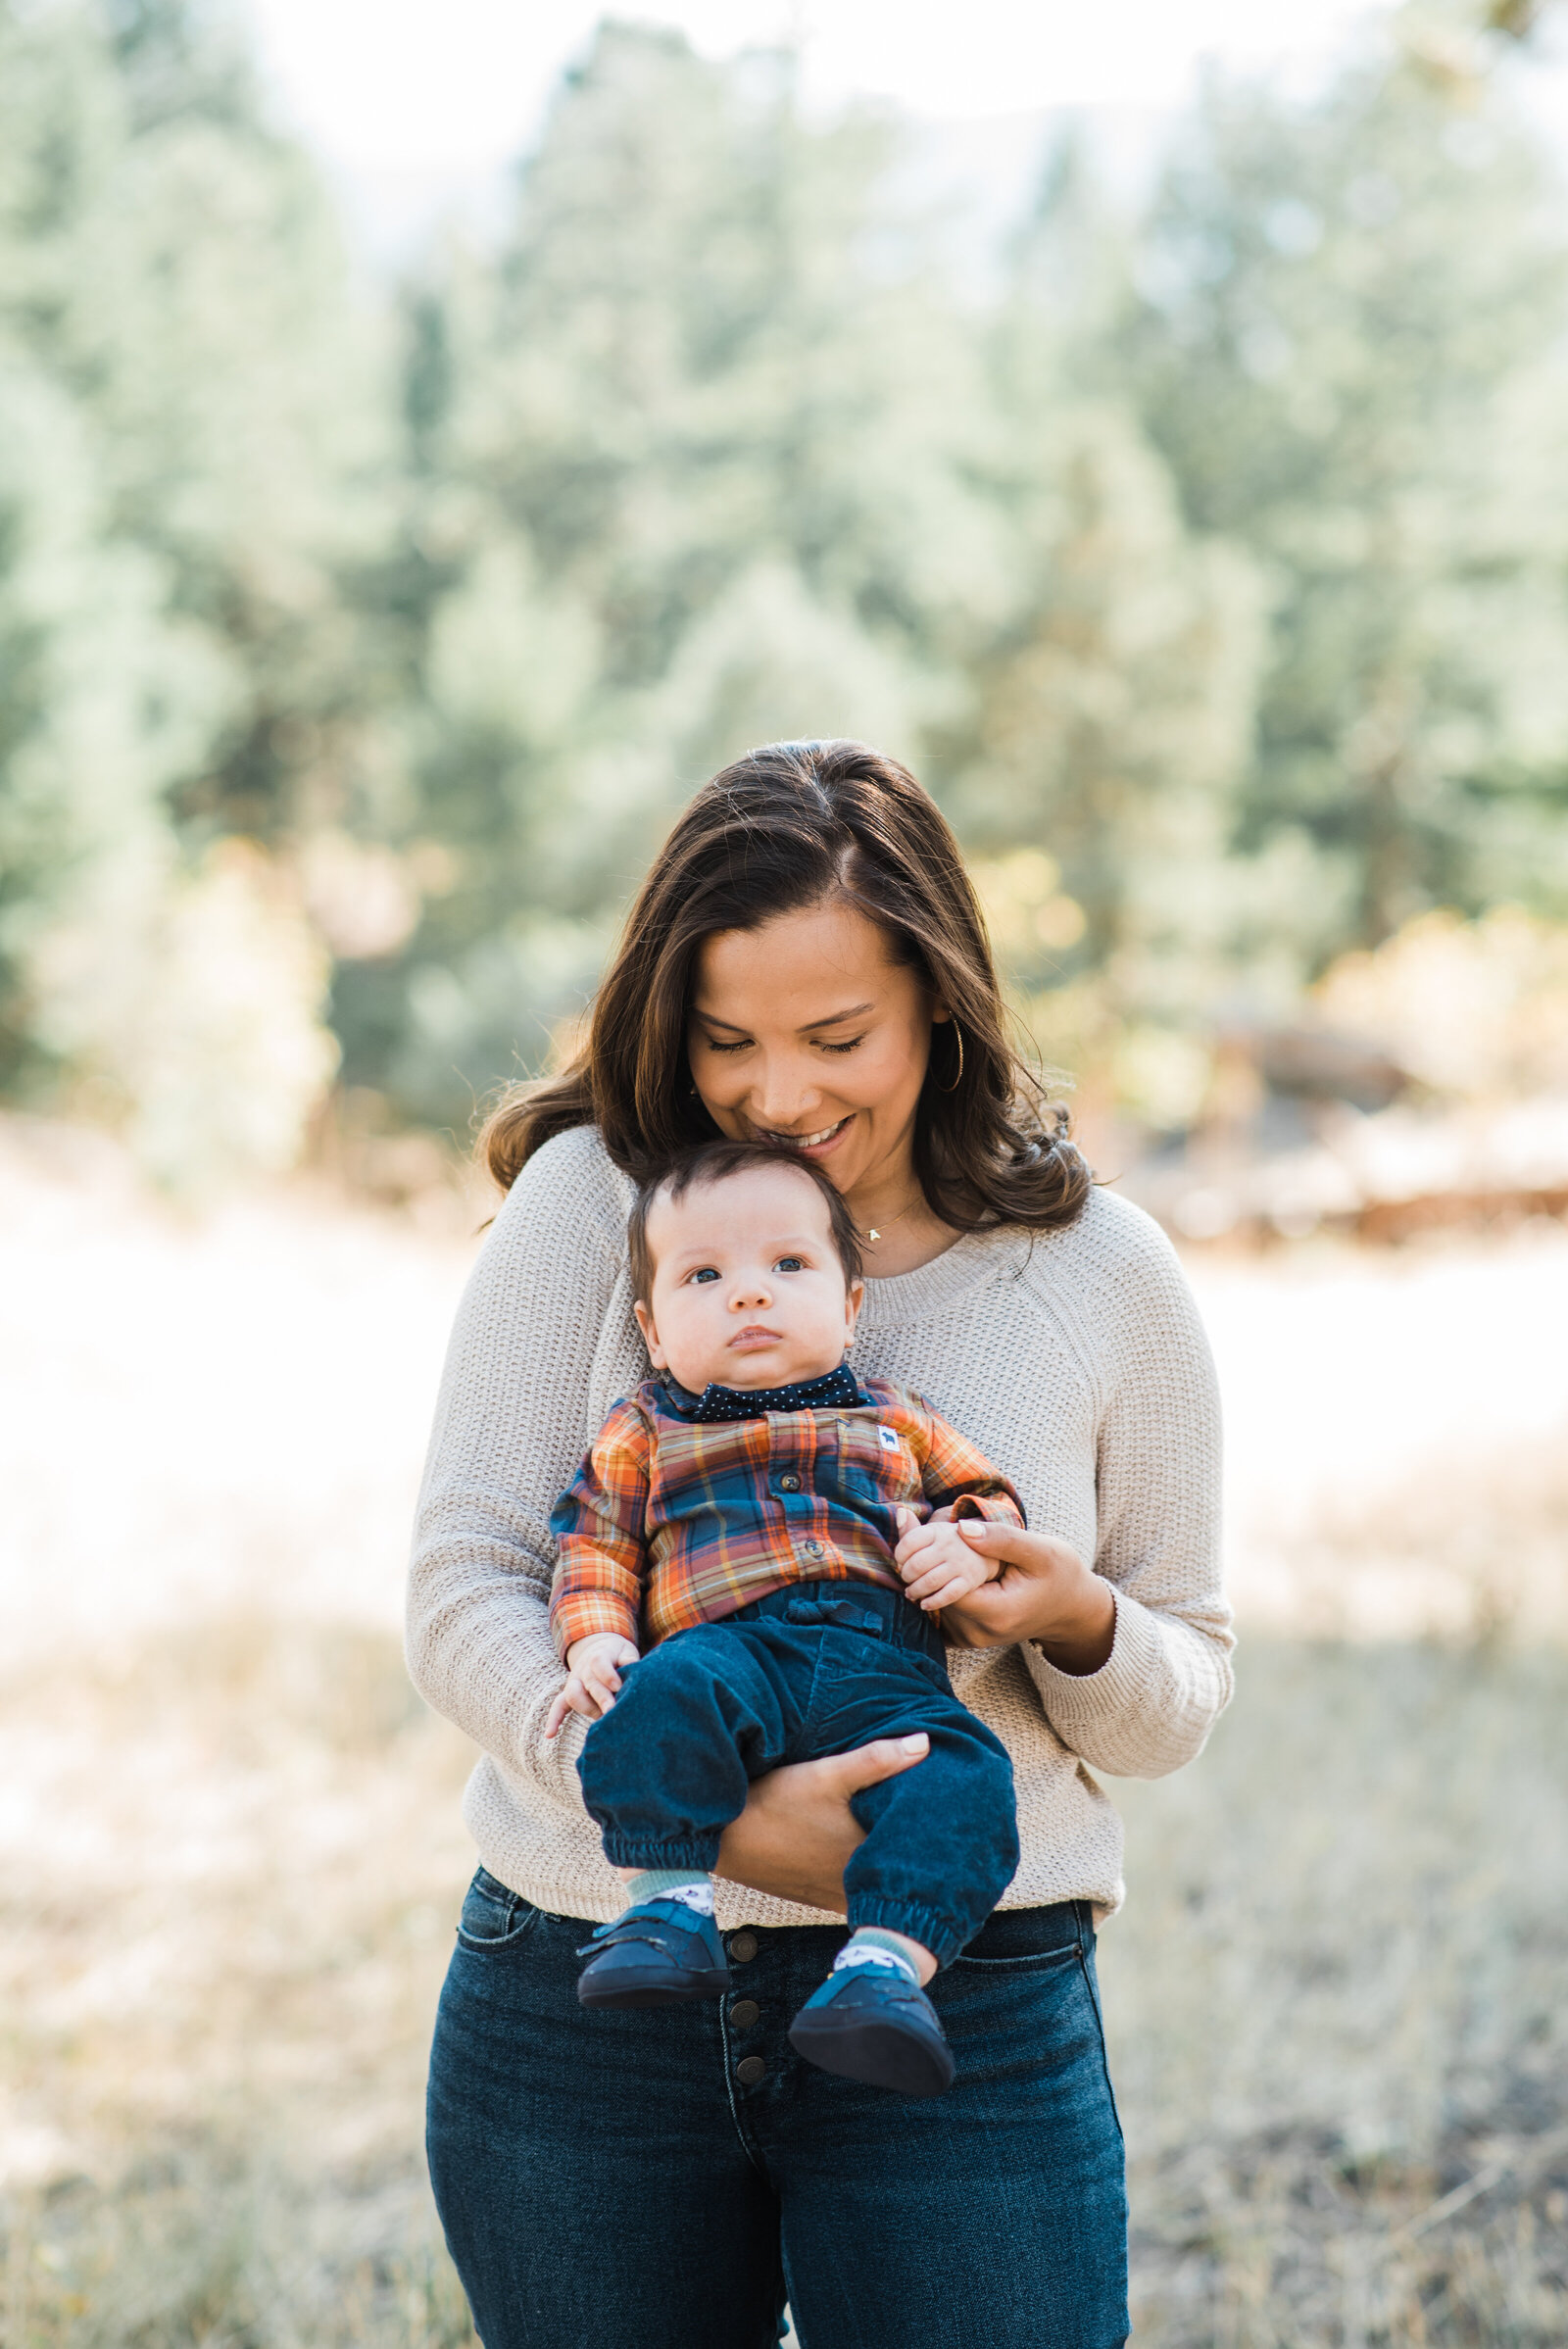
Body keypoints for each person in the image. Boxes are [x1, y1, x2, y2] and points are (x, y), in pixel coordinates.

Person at [409, 739, 1232, 2349]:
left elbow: (1182, 1683)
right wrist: (686, 1805)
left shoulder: (1100, 1278)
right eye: (727, 1041)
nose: (778, 1095)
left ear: (942, 998)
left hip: (963, 2007)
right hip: (588, 1994)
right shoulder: (597, 1205)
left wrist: (1077, 1622)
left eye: (837, 1036)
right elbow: (466, 1578)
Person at [547, 1138, 1026, 2098]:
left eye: (789, 1265)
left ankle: (884, 1972)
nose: (748, 1294)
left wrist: (963, 1541)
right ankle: (666, 1907)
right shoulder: (646, 1425)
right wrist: (594, 1633)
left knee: (967, 1781)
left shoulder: (895, 1415)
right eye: (704, 1275)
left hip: (883, 1668)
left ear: (850, 1308)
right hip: (728, 1654)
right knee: (656, 1696)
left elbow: (990, 1499)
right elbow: (595, 1539)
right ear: (652, 1327)